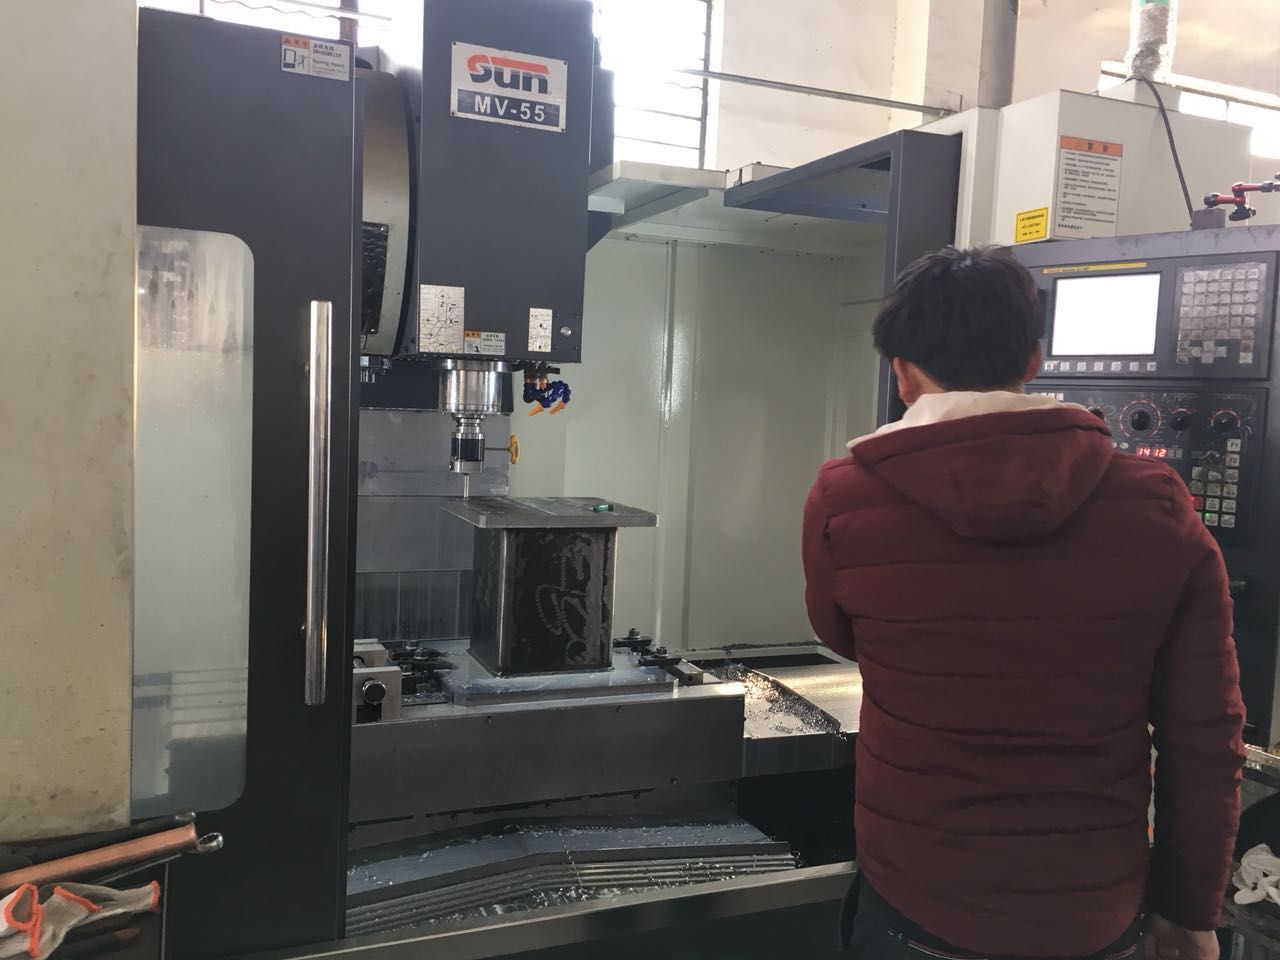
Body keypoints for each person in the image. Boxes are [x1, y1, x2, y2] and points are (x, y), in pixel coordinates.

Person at [801, 246, 1245, 960]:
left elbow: (841, 633)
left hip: (918, 896)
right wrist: (1191, 911)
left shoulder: (843, 496)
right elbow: (1204, 732)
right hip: (1094, 908)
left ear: (902, 374)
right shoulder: (1159, 505)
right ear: (1034, 360)